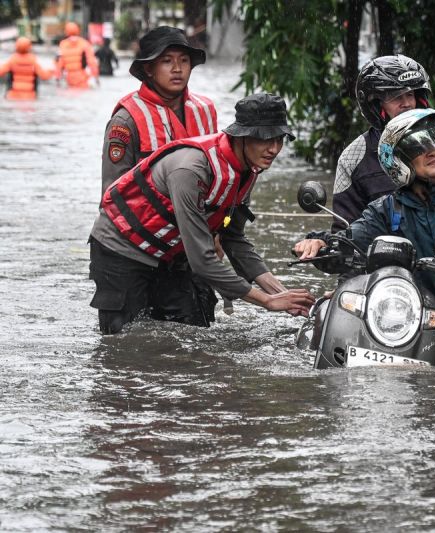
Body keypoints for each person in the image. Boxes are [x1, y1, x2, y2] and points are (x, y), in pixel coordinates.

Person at [88, 93, 315, 335]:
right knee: (126, 341)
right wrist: (267, 302)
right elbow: (202, 260)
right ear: (241, 137)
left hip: (170, 255)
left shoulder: (248, 170)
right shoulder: (191, 169)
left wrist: (281, 294)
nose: (274, 149)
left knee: (193, 330)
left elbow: (234, 239)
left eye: (279, 139)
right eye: (264, 138)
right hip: (121, 250)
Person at [294, 109, 435, 343]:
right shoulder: (385, 210)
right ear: (398, 159)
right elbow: (350, 243)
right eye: (420, 147)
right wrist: (321, 242)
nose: (433, 151)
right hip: (421, 335)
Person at [332, 55, 435, 231]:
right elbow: (344, 230)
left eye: (410, 95)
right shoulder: (353, 157)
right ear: (376, 105)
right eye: (395, 96)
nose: (406, 104)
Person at [101, 25, 217, 195]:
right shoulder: (126, 120)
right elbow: (113, 195)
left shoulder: (205, 110)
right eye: (167, 61)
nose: (177, 69)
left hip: (197, 215)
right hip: (149, 219)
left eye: (184, 60)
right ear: (149, 69)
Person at [55, 22, 99, 88]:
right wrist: (96, 77)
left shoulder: (63, 44)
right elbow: (91, 62)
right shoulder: (84, 43)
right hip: (82, 77)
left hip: (69, 78)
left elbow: (59, 63)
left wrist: (58, 77)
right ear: (78, 30)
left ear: (66, 31)